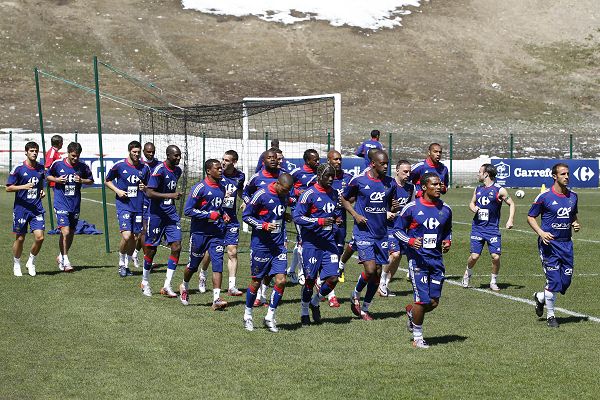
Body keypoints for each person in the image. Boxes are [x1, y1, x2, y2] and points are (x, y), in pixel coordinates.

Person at [398, 172, 452, 349]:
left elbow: (447, 230)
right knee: (421, 300)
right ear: (424, 187)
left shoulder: (446, 209)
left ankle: (412, 313)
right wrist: (410, 241)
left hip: (437, 260)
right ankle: (418, 338)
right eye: (434, 184)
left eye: (439, 184)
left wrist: (447, 241)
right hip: (418, 260)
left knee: (433, 302)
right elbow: (397, 231)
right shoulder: (411, 208)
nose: (438, 187)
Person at [342, 150, 395, 321]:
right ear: (373, 163)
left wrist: (392, 208)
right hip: (363, 232)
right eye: (383, 163)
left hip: (381, 233)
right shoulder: (359, 181)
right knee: (370, 269)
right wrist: (355, 214)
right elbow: (344, 199)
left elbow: (389, 206)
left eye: (387, 163)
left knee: (378, 274)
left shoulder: (390, 183)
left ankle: (365, 308)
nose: (386, 166)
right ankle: (355, 293)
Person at [528, 163, 580, 328]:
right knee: (554, 281)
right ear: (554, 176)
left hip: (566, 245)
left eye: (568, 174)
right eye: (563, 174)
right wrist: (541, 232)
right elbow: (530, 217)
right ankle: (551, 316)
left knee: (565, 282)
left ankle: (541, 297)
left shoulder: (573, 196)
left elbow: (572, 215)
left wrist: (575, 223)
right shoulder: (544, 197)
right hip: (549, 244)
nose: (566, 177)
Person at [242, 173, 294, 332]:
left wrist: (284, 216)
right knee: (256, 282)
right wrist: (263, 225)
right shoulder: (261, 195)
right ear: (278, 184)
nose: (286, 194)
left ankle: (270, 316)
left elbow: (276, 212)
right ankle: (248, 315)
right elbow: (246, 216)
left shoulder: (284, 195)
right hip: (261, 246)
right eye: (284, 190)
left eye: (288, 191)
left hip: (278, 246)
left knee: (281, 281)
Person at [293, 164, 342, 325]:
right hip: (311, 244)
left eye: (332, 176)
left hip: (329, 243)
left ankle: (315, 301)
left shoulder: (335, 194)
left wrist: (336, 220)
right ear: (319, 175)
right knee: (309, 279)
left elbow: (335, 214)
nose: (330, 179)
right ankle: (304, 311)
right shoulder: (309, 194)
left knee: (333, 278)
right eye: (327, 175)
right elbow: (297, 217)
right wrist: (318, 221)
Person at [179, 159, 229, 310]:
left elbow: (218, 208)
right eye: (218, 168)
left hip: (216, 233)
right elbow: (188, 210)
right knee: (193, 266)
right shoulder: (198, 188)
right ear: (208, 171)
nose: (221, 170)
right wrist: (208, 215)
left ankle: (216, 299)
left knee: (218, 264)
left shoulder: (222, 187)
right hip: (199, 233)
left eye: (221, 168)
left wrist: (223, 214)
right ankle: (184, 285)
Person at [462, 164, 515, 291]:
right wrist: (473, 208)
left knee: (496, 256)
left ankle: (493, 281)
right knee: (474, 256)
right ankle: (467, 273)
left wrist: (510, 219)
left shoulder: (499, 190)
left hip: (492, 229)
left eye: (480, 172)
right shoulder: (478, 189)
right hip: (478, 228)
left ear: (486, 174)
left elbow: (512, 203)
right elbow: (471, 203)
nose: (478, 174)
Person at [141, 145, 183, 298]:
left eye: (179, 155)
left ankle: (167, 285)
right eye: (176, 156)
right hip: (156, 215)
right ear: (168, 155)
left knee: (177, 247)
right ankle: (145, 281)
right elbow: (149, 192)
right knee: (152, 249)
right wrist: (170, 195)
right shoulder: (159, 170)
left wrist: (171, 197)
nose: (178, 158)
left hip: (171, 215)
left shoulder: (178, 171)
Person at [104, 141, 150, 278]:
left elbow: (149, 186)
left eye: (138, 152)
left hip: (138, 206)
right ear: (129, 151)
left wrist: (145, 188)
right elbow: (107, 180)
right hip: (124, 205)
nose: (136, 154)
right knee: (126, 235)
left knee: (135, 237)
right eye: (134, 152)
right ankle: (121, 264)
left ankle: (127, 265)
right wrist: (117, 190)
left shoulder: (145, 168)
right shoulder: (119, 166)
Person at [47, 142, 94, 272]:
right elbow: (48, 175)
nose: (75, 158)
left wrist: (82, 181)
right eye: (73, 156)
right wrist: (56, 180)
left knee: (71, 232)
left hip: (75, 203)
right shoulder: (58, 164)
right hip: (61, 202)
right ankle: (66, 261)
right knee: (65, 231)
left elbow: (91, 180)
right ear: (68, 153)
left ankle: (61, 256)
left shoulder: (82, 166)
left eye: (77, 156)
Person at [242, 149, 281, 306]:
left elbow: (289, 196)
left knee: (275, 263)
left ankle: (262, 295)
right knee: (261, 263)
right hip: (260, 225)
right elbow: (245, 192)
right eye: (269, 158)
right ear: (263, 161)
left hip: (279, 227)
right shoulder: (257, 177)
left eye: (275, 158)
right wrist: (248, 203)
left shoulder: (283, 175)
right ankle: (257, 293)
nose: (273, 160)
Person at [7, 142, 46, 277]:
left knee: (40, 238)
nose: (34, 153)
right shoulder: (18, 168)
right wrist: (23, 187)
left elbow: (40, 182)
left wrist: (41, 191)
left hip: (36, 208)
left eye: (36, 151)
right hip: (21, 209)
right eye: (31, 151)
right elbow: (8, 187)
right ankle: (17, 263)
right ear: (26, 152)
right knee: (20, 238)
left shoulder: (41, 168)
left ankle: (31, 261)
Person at [379, 160, 415, 297]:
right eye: (405, 171)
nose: (408, 174)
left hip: (402, 227)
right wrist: (386, 213)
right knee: (395, 254)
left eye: (409, 171)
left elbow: (411, 207)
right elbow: (377, 204)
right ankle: (381, 280)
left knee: (398, 257)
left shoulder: (411, 188)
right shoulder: (388, 185)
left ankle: (385, 285)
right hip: (388, 226)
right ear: (397, 170)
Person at [288, 149, 320, 284]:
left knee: (303, 241)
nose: (318, 162)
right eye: (315, 160)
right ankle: (302, 273)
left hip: (313, 212)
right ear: (307, 161)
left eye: (318, 159)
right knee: (303, 241)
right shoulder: (297, 172)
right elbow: (285, 183)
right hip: (299, 211)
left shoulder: (319, 172)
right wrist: (296, 191)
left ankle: (291, 271)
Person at [133, 142, 161, 269]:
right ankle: (146, 259)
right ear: (143, 151)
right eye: (148, 152)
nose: (151, 154)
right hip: (143, 201)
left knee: (146, 232)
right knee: (145, 230)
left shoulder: (159, 165)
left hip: (155, 201)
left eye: (153, 152)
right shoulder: (140, 165)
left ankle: (134, 253)